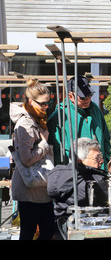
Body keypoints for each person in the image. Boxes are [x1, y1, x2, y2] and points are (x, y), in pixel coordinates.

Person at [10, 78, 55, 240]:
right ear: (30, 101)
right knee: (29, 233)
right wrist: (44, 144)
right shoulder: (26, 124)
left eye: (48, 103)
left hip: (40, 187)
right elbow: (26, 159)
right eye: (42, 103)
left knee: (47, 230)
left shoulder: (37, 120)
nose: (46, 107)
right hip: (30, 189)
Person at [47, 137, 111, 221]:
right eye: (97, 158)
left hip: (64, 224)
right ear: (80, 161)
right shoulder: (94, 180)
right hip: (88, 225)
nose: (101, 161)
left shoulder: (59, 174)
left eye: (101, 156)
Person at [48, 75, 111, 170]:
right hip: (74, 173)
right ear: (70, 96)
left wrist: (105, 160)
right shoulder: (59, 116)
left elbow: (105, 137)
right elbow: (54, 150)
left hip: (99, 170)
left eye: (90, 95)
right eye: (83, 97)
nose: (88, 99)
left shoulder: (95, 109)